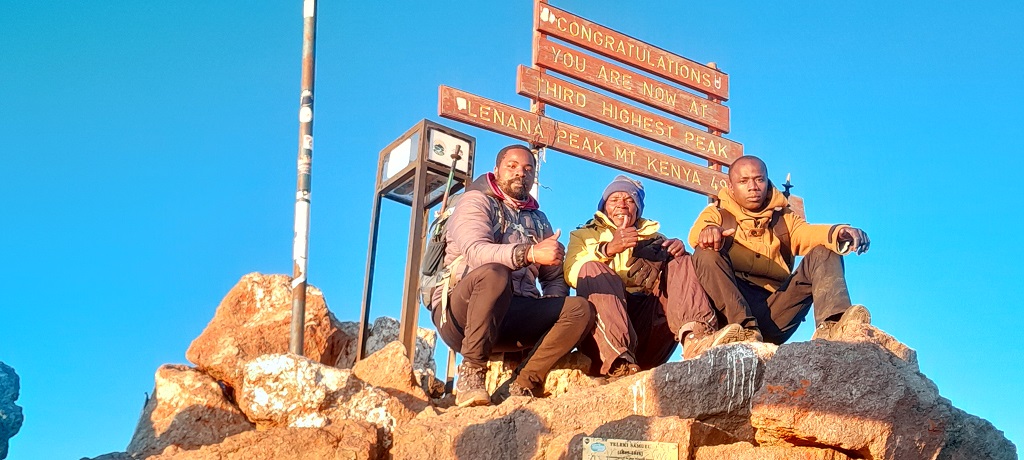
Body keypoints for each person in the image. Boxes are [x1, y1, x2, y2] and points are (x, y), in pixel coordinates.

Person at [429, 144, 594, 407]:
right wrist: (529, 254)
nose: (521, 173)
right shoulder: (475, 201)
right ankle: (471, 374)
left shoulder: (539, 220)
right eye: (513, 166)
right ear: (496, 170)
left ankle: (523, 384)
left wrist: (549, 309)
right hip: (462, 316)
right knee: (495, 273)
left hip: (512, 317)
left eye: (529, 169)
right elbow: (475, 252)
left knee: (580, 309)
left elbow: (553, 278)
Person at [564, 175, 746, 378]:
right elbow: (573, 273)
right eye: (614, 200)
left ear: (638, 208)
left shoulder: (656, 239)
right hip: (603, 336)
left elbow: (682, 282)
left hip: (647, 333)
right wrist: (607, 250)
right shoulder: (583, 236)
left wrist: (679, 254)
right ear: (604, 206)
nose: (622, 206)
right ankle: (620, 364)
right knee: (592, 269)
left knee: (681, 262)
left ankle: (696, 339)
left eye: (629, 200)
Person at [688, 155, 871, 345]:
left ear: (767, 182)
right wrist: (709, 232)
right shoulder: (717, 213)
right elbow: (698, 233)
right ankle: (744, 331)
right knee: (706, 252)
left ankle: (835, 325)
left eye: (759, 179)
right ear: (731, 186)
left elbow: (807, 233)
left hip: (778, 309)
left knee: (826, 249)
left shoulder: (784, 218)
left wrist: (839, 232)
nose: (753, 187)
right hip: (734, 308)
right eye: (743, 181)